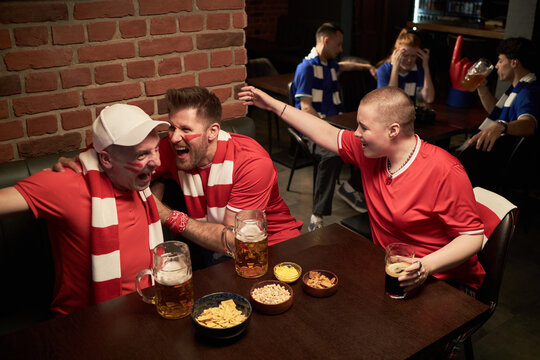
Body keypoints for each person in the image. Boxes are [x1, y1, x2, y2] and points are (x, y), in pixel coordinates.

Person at [239, 85, 485, 295]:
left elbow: (472, 238)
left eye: (364, 127)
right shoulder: (372, 152)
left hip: (443, 279)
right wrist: (273, 105)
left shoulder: (444, 170)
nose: (356, 133)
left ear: (393, 131)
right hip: (391, 270)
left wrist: (425, 266)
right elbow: (326, 132)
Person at [54, 87, 303, 264]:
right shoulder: (171, 148)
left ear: (213, 131)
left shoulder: (251, 163)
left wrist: (164, 214)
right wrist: (82, 161)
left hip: (274, 248)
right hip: (219, 256)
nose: (173, 137)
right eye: (172, 126)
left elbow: (236, 241)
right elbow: (115, 153)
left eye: (185, 129)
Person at [0, 104, 169, 315]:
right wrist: (52, 180)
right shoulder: (66, 183)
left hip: (147, 308)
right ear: (106, 159)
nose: (157, 162)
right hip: (87, 322)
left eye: (156, 149)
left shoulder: (136, 178)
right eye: (141, 155)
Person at [292, 22, 377, 231]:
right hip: (312, 126)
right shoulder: (306, 68)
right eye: (338, 45)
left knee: (372, 143)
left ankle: (350, 187)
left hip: (335, 124)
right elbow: (305, 108)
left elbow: (346, 65)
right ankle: (317, 216)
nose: (340, 50)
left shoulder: (329, 64)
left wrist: (367, 67)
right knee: (332, 153)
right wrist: (328, 129)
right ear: (326, 41)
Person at [459, 37, 539, 189]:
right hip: (493, 164)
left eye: (500, 61)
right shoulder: (518, 88)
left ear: (514, 63)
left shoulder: (527, 92)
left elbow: (529, 124)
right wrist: (482, 88)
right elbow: (496, 112)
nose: (496, 66)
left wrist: (501, 126)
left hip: (497, 170)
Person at [376, 28, 435, 105]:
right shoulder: (384, 70)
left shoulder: (418, 69)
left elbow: (429, 99)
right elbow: (389, 100)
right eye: (405, 55)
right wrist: (395, 68)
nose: (409, 60)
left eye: (413, 56)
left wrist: (426, 66)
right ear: (396, 54)